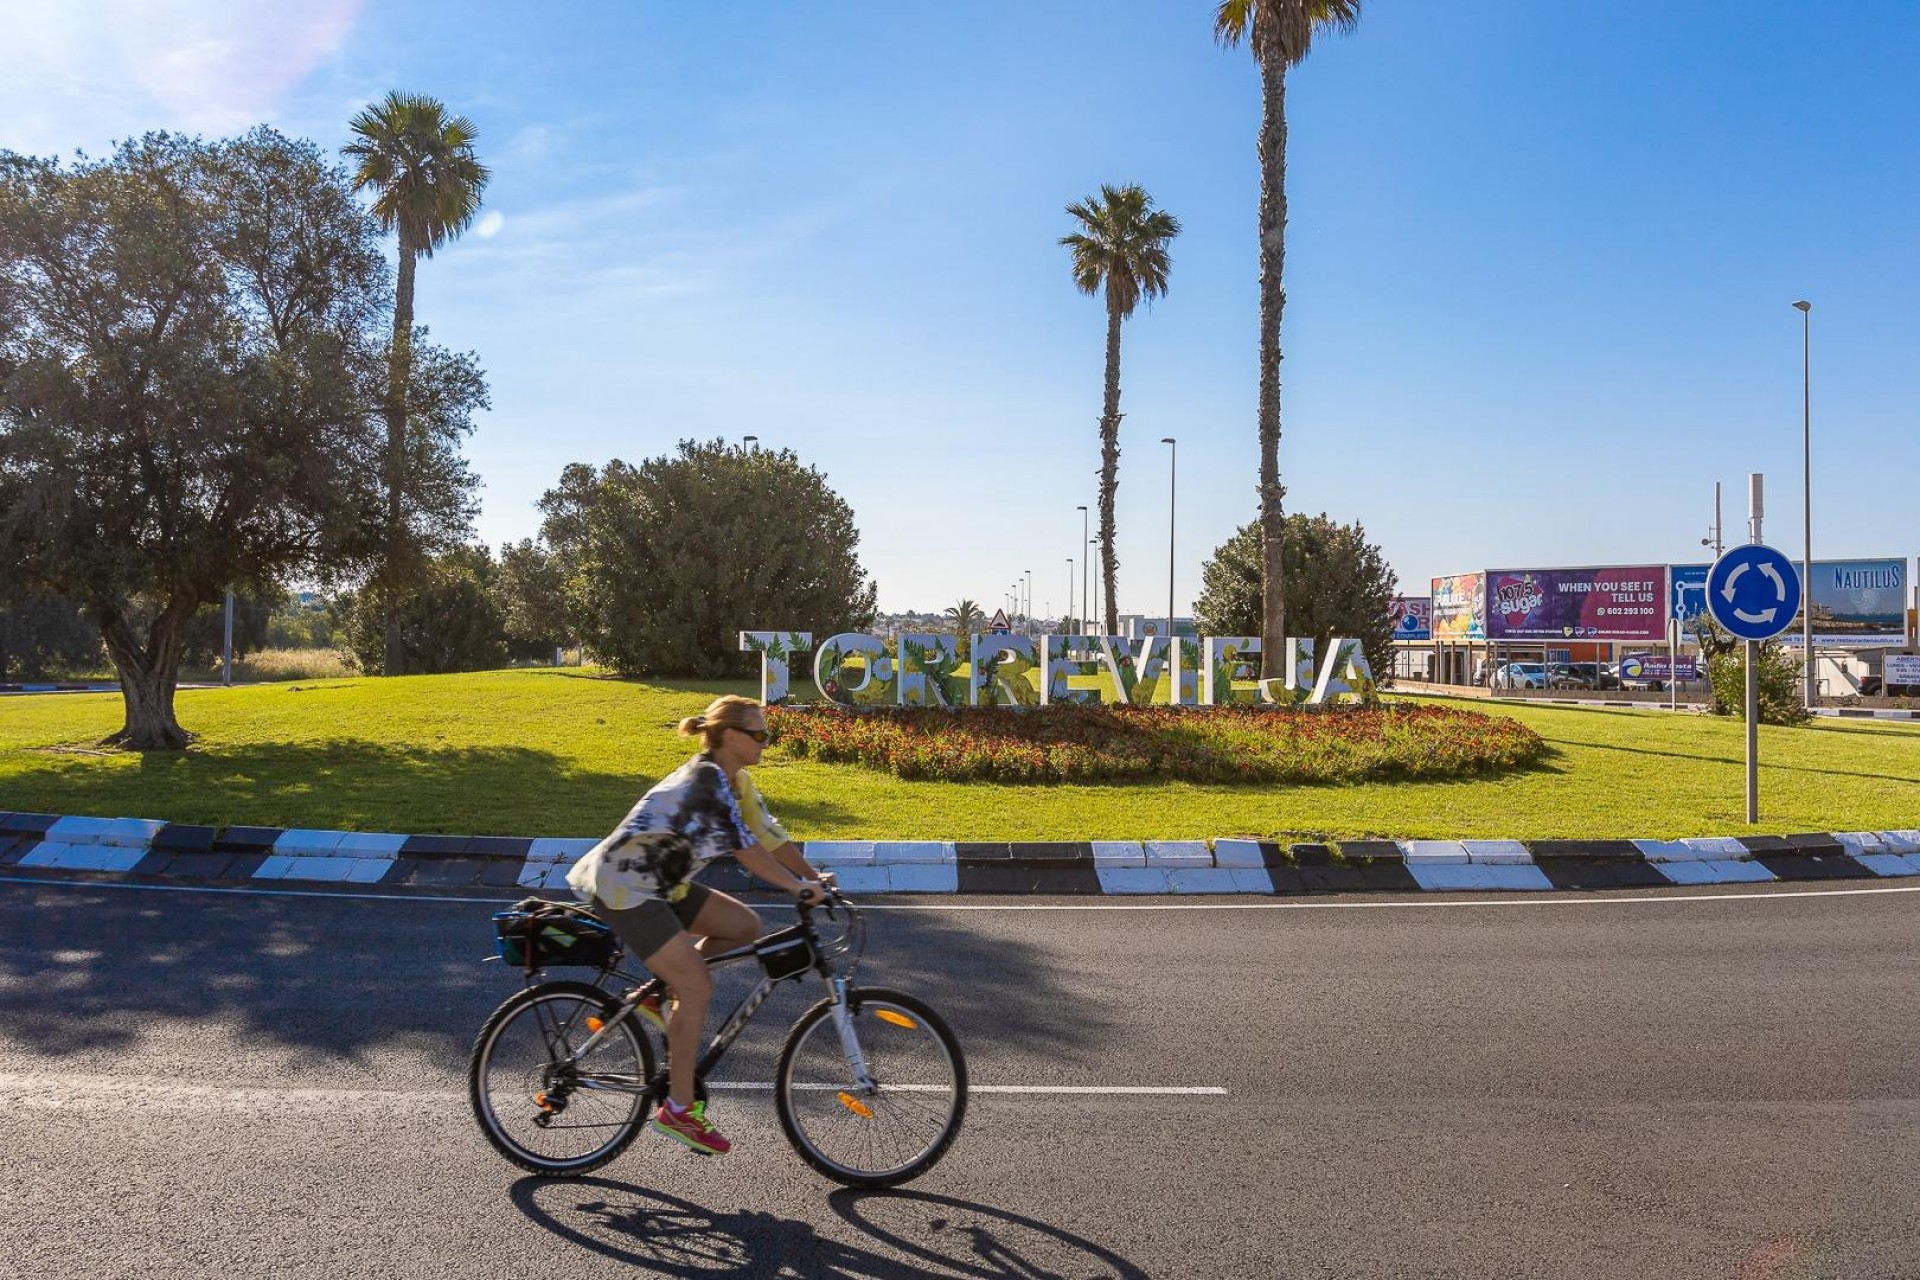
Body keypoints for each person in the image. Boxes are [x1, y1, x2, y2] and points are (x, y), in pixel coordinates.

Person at [566, 693, 827, 1156]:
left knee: (743, 925)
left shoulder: (736, 782)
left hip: (665, 884)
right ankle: (679, 1110)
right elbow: (748, 854)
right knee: (698, 986)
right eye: (759, 735)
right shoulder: (708, 782)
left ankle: (654, 994)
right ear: (730, 736)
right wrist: (795, 889)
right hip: (626, 886)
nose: (767, 742)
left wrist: (814, 879)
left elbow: (771, 838)